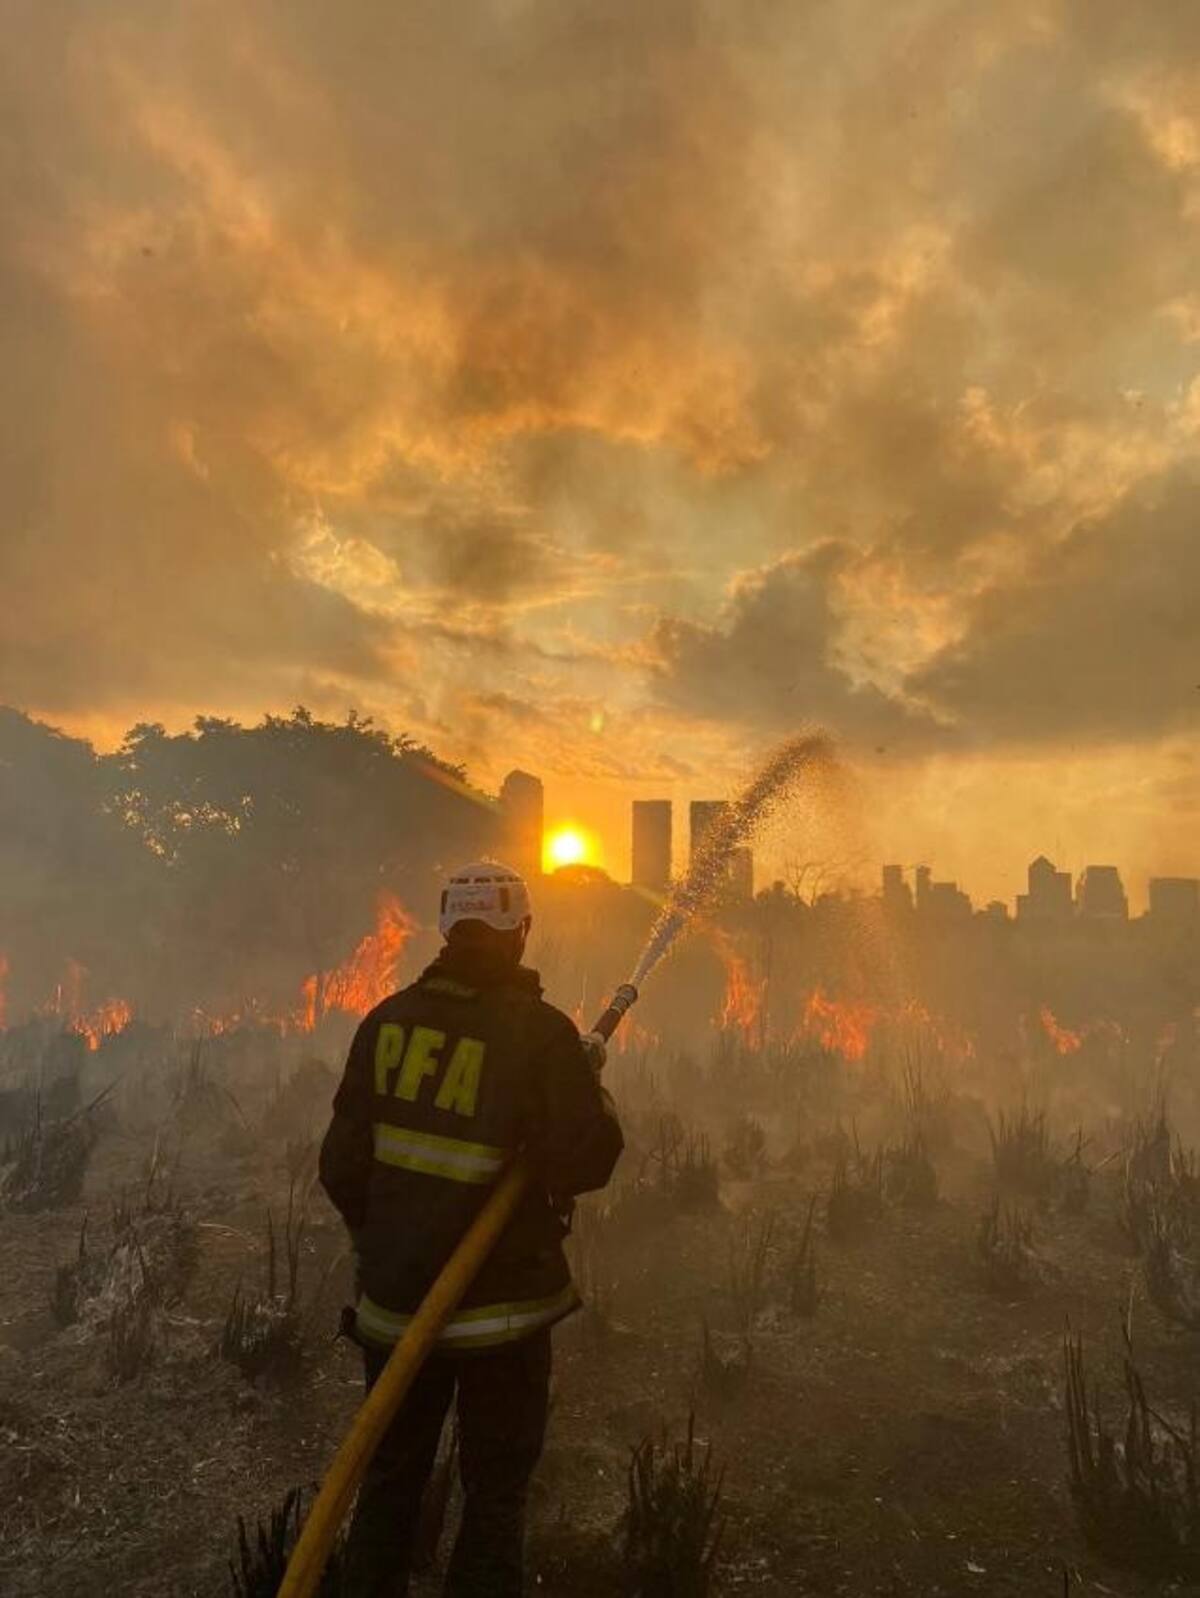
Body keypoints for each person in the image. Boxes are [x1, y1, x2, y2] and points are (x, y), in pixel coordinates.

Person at [319, 861, 624, 1597]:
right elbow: (585, 1159)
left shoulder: (385, 1022)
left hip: (395, 1310)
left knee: (389, 1478)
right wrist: (589, 1089)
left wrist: (392, 1242)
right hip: (503, 1319)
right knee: (495, 1491)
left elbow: (341, 1166)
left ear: (448, 930)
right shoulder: (540, 1034)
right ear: (519, 933)